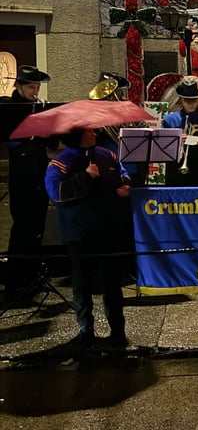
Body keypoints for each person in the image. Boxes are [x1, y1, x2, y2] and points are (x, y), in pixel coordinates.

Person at [45, 128, 131, 348]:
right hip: (80, 233)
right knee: (82, 284)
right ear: (79, 135)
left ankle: (118, 333)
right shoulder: (61, 163)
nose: (94, 133)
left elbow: (122, 173)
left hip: (109, 230)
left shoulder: (107, 154)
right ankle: (86, 332)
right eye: (89, 130)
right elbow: (57, 193)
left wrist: (123, 186)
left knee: (113, 284)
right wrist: (85, 176)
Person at [2, 65, 57, 301]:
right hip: (22, 175)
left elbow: (51, 143)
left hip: (39, 172)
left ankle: (33, 276)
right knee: (23, 228)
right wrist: (31, 126)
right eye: (31, 87)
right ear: (19, 86)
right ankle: (16, 282)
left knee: (37, 227)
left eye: (37, 87)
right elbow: (10, 140)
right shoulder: (8, 107)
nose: (35, 92)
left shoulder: (39, 107)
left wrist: (48, 127)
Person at [162, 77, 198, 187]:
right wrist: (176, 142)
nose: (191, 104)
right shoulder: (169, 120)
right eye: (187, 100)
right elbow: (162, 147)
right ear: (181, 99)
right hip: (175, 172)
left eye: (194, 100)